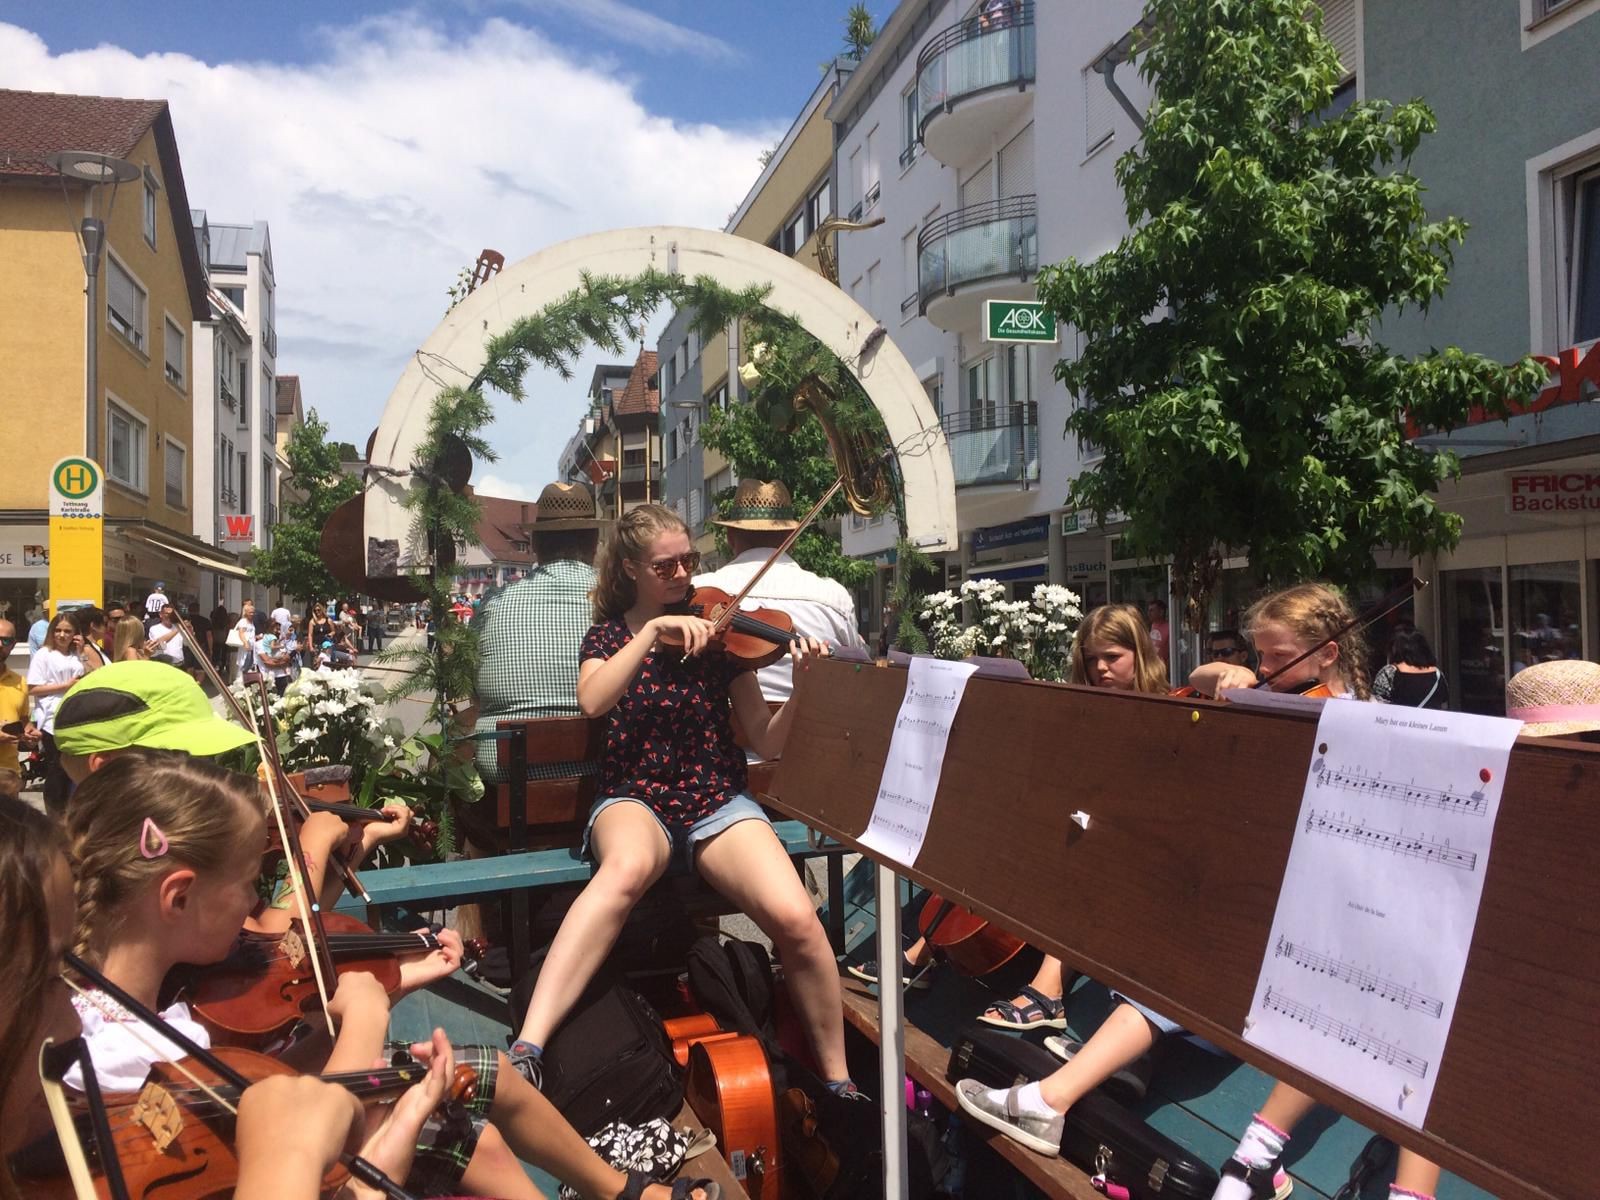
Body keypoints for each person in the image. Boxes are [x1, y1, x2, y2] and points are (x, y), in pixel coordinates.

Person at [63, 750, 719, 1200]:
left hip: (298, 1147)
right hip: (326, 1172)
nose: (256, 911)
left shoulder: (138, 1003)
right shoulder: (120, 1053)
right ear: (176, 898)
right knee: (472, 1117)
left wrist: (380, 993)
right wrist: (372, 1011)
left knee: (480, 1087)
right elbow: (317, 1118)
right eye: (244, 888)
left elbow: (256, 1088)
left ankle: (625, 1190)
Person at [956, 583, 1369, 1170]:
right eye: (1261, 654)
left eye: (1278, 658)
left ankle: (1054, 1095)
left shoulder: (1348, 720)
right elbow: (1200, 677)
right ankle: (1085, 1073)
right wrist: (1226, 672)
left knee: (1182, 964)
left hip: (1295, 931)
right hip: (1248, 900)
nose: (1265, 668)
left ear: (1327, 653)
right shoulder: (1277, 697)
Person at [508, 503, 858, 1104]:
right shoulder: (613, 633)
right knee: (624, 872)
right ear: (630, 570)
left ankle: (838, 1081)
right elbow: (592, 700)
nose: (682, 574)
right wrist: (649, 634)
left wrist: (803, 690)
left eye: (689, 561)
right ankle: (529, 1046)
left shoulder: (719, 634)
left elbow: (765, 738)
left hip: (714, 797)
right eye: (665, 565)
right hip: (635, 796)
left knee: (797, 916)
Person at [852, 605, 1169, 1024]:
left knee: (1079, 862)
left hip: (1126, 844)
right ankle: (924, 952)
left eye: (1113, 657)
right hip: (1080, 821)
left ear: (1140, 654)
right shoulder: (1085, 707)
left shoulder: (1165, 712)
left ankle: (1050, 988)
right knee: (1002, 833)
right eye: (1092, 659)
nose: (1101, 669)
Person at [470, 482, 606, 787]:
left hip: (506, 778)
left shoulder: (494, 604)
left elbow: (474, 690)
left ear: (536, 544)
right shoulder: (619, 601)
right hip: (603, 777)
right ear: (595, 542)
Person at [691, 479, 867, 702]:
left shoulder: (700, 591)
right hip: (809, 727)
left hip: (719, 730)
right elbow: (857, 669)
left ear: (730, 538)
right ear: (791, 540)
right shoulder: (834, 596)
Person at [26, 612, 84, 813]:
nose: (62, 635)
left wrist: (83, 652)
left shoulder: (77, 654)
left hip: (76, 716)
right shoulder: (44, 655)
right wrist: (65, 686)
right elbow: (33, 688)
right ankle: (54, 816)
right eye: (58, 630)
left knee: (74, 769)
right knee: (57, 769)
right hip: (53, 719)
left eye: (67, 631)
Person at [1371, 628, 1448, 709]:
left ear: (1395, 649)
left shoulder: (1389, 672)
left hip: (1398, 721)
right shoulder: (1438, 674)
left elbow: (1377, 704)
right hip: (1430, 721)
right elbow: (1443, 702)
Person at [0, 622, 28, 804]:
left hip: (9, 773)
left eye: (6, 640)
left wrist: (29, 732)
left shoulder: (20, 682)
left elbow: (24, 719)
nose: (0, 644)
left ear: (14, 645)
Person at [145, 603, 187, 669]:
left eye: (172, 614)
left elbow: (187, 643)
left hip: (180, 664)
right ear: (160, 615)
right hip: (164, 665)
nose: (169, 616)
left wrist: (190, 630)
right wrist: (178, 629)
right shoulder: (154, 628)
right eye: (167, 613)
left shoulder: (178, 627)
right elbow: (160, 644)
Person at [71, 607, 110, 674]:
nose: (108, 627)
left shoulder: (91, 647)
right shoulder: (87, 649)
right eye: (105, 624)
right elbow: (98, 673)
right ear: (93, 626)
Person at [234, 598, 260, 678]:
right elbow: (241, 633)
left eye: (253, 612)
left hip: (251, 647)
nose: (252, 614)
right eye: (250, 612)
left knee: (250, 664)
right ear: (246, 613)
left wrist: (256, 637)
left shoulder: (251, 622)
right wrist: (245, 642)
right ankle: (240, 680)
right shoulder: (243, 621)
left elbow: (250, 633)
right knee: (244, 664)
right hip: (245, 647)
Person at [209, 599, 231, 675]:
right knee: (223, 654)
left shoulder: (214, 620)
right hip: (224, 639)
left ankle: (216, 666)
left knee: (216, 653)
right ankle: (221, 668)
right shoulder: (226, 621)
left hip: (215, 639)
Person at [1146, 598, 1171, 663]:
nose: (1149, 613)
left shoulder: (1169, 628)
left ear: (1161, 612)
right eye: (1148, 610)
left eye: (1152, 610)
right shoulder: (1151, 625)